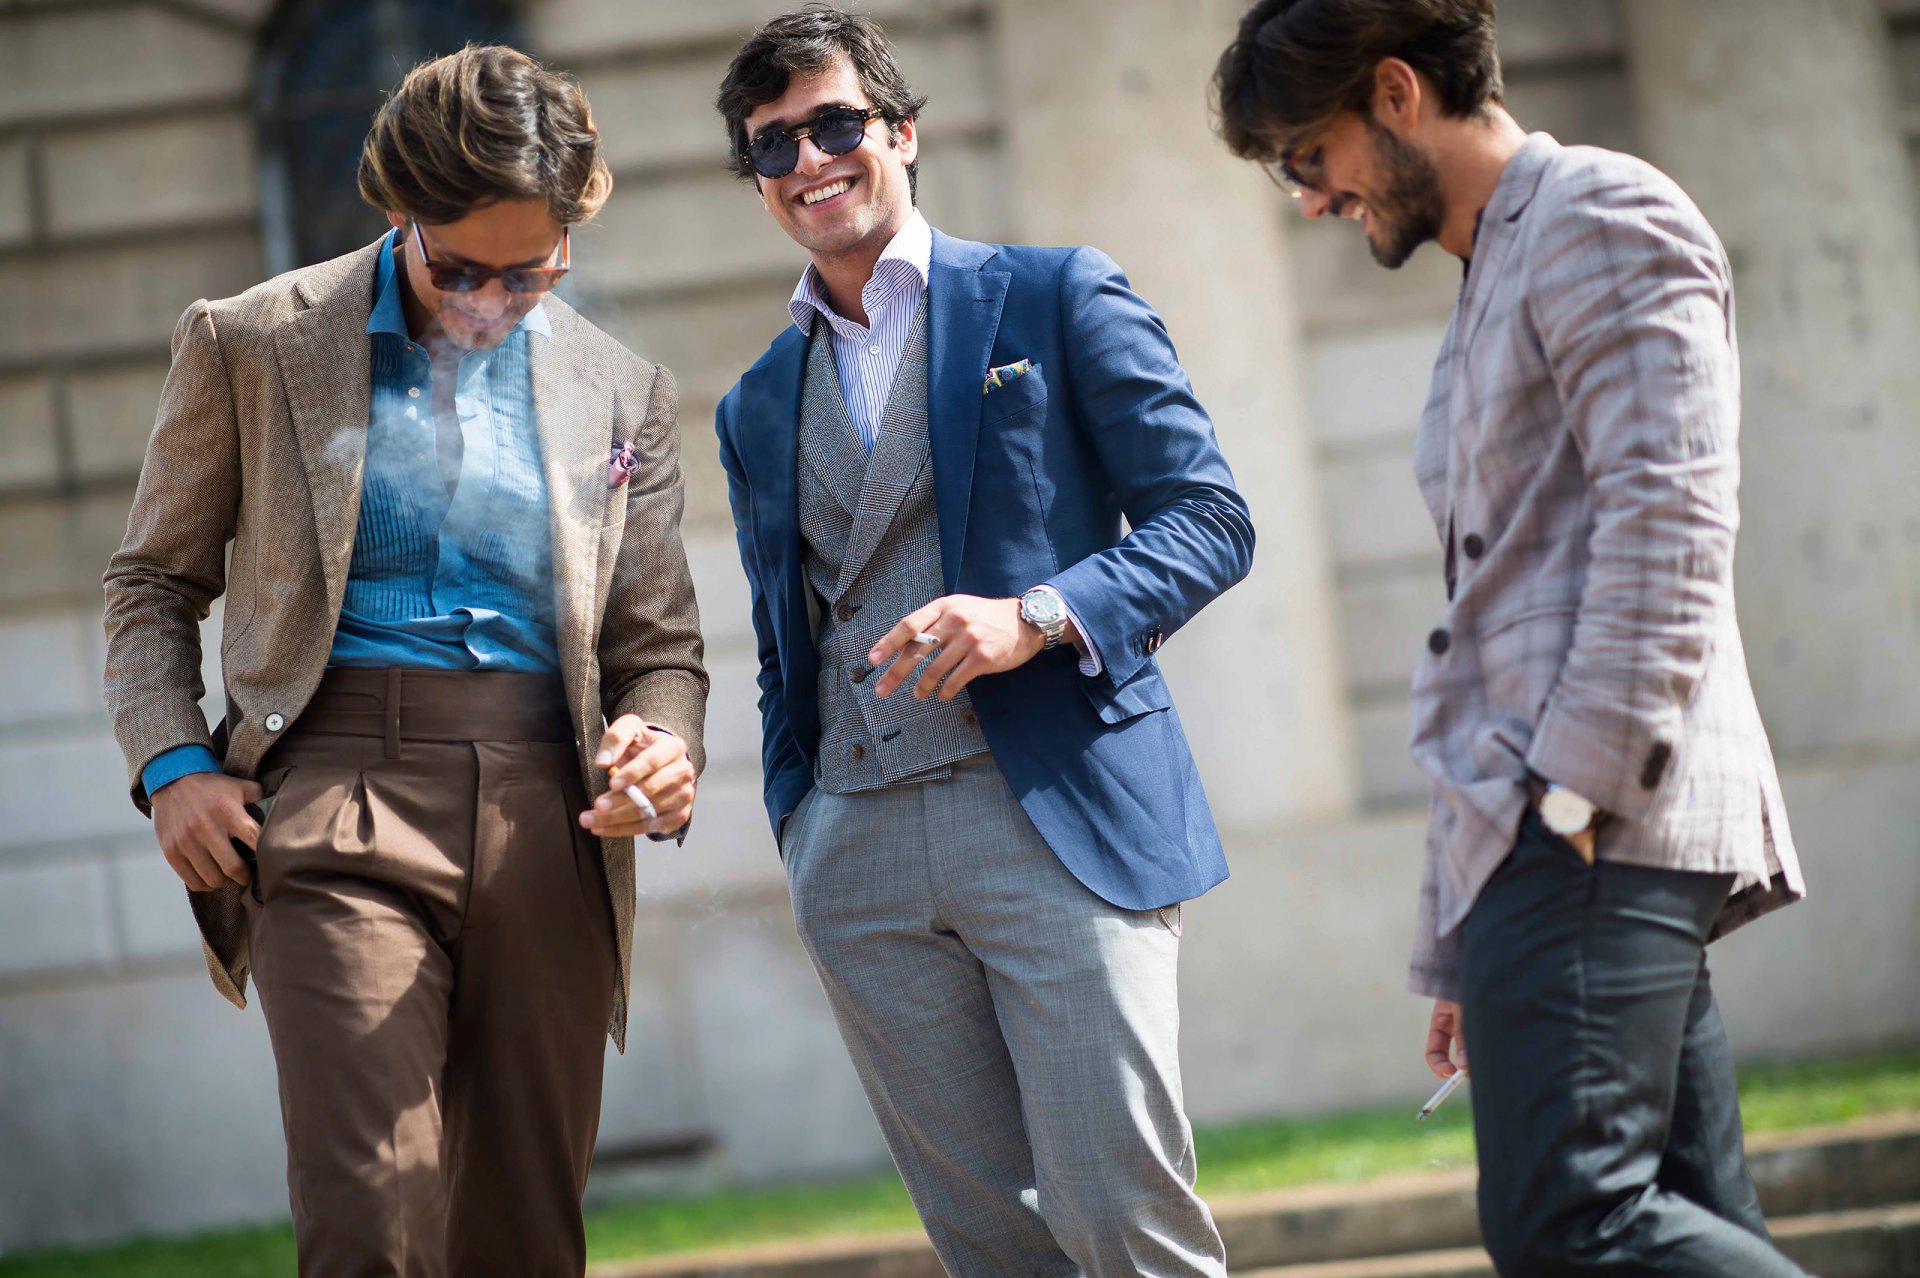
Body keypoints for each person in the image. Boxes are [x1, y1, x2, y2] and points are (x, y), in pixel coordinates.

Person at [1213, 2, 1809, 1274]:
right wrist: (1468, 936)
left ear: (1392, 93)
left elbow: (1673, 519)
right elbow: (1486, 632)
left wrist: (1571, 803)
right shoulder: (1495, 274)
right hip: (1549, 833)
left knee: (1569, 1218)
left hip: (1598, 813)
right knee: (1683, 1211)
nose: (1309, 200)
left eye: (1304, 158)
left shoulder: (1600, 213)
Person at [101, 45, 707, 1276]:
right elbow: (152, 584)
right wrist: (172, 763)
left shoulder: (619, 387)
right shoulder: (253, 340)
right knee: (373, 1216)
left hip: (554, 814)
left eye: (528, 274)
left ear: (573, 235)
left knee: (524, 1233)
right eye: (461, 269)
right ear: (398, 212)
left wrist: (666, 742)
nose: (488, 306)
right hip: (329, 801)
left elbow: (660, 649)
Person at [712, 8, 1253, 1275]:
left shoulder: (1057, 293)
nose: (808, 160)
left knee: (1125, 1216)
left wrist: (1036, 617)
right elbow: (779, 641)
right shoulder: (752, 403)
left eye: (835, 124)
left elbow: (1210, 520)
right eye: (772, 146)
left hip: (1051, 811)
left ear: (900, 131)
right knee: (988, 1249)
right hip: (858, 846)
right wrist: (806, 827)